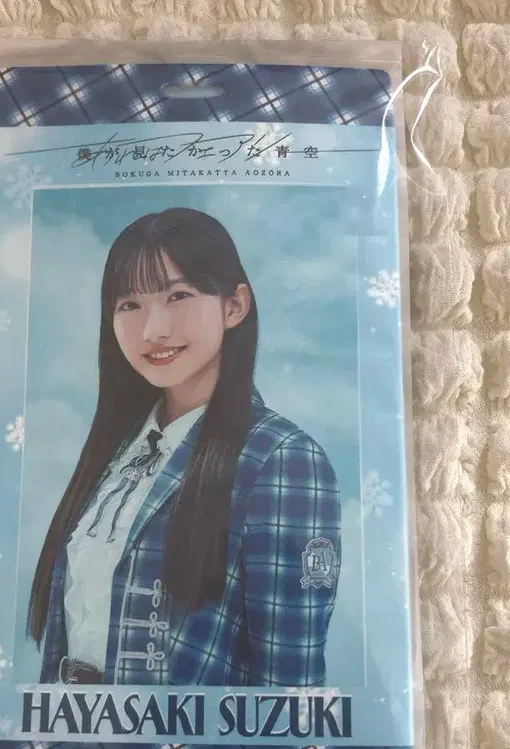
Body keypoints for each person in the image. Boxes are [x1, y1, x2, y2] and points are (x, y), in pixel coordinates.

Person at [27, 207, 341, 687]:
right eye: (129, 304)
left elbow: (289, 684)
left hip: (183, 736)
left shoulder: (282, 458)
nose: (153, 330)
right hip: (71, 725)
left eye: (178, 296)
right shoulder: (120, 450)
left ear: (234, 306)